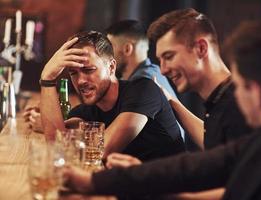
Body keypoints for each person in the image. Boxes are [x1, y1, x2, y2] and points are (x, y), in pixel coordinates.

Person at [63, 18, 261, 199]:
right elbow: (194, 165)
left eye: (240, 86)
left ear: (259, 93)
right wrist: (96, 182)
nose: (163, 69)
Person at [39, 31, 185, 161]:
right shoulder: (85, 111)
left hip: (171, 189)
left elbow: (103, 150)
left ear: (111, 67)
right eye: (73, 73)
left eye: (89, 70)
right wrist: (47, 79)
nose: (81, 81)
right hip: (127, 188)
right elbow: (56, 146)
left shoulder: (143, 90)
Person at [147, 8, 251, 150]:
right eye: (160, 60)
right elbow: (214, 146)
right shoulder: (221, 100)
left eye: (169, 57)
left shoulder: (240, 104)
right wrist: (171, 101)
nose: (163, 70)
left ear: (201, 48)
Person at [105, 19, 186, 142]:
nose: (106, 55)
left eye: (110, 48)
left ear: (127, 49)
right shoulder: (149, 73)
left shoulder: (144, 82)